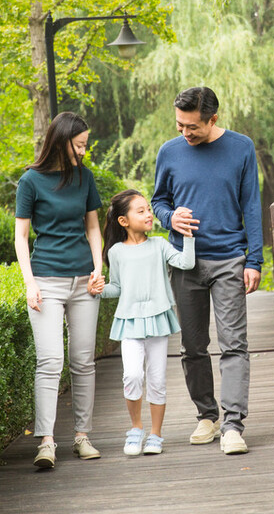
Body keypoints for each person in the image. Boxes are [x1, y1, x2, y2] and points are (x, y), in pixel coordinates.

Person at [151, 86, 262, 455]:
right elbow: (158, 200)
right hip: (184, 262)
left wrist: (254, 260)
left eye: (192, 127)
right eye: (180, 125)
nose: (185, 132)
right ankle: (207, 416)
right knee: (193, 347)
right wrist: (170, 217)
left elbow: (252, 204)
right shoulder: (169, 152)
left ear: (213, 119)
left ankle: (233, 424)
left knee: (234, 345)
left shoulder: (241, 148)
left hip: (229, 259)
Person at [14, 112, 108, 469]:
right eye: (79, 145)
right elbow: (21, 237)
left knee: (83, 361)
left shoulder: (85, 178)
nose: (83, 151)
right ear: (60, 140)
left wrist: (98, 268)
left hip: (84, 282)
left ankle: (82, 437)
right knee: (50, 360)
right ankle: (47, 442)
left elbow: (93, 229)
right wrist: (30, 283)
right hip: (47, 282)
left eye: (85, 145)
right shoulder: (30, 181)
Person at [100, 189, 197, 457]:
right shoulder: (116, 252)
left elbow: (186, 263)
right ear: (123, 221)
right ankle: (136, 428)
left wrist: (188, 236)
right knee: (132, 375)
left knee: (157, 380)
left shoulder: (160, 245)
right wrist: (98, 290)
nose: (148, 215)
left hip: (158, 320)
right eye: (140, 211)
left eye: (149, 210)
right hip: (129, 322)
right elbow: (117, 287)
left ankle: (156, 434)